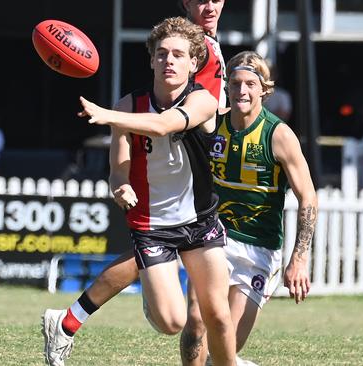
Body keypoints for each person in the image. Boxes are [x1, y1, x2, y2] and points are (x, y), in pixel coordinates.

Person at [43, 16, 237, 366]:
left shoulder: (203, 101)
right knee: (172, 322)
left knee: (218, 317)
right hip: (152, 225)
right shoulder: (128, 106)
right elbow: (118, 168)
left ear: (194, 62)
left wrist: (105, 115)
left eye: (179, 54)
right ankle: (154, 283)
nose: (169, 61)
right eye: (161, 54)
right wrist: (120, 187)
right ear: (151, 60)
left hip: (200, 220)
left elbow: (163, 125)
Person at [180, 50, 318, 366]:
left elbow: (308, 197)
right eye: (235, 83)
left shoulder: (278, 134)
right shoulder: (213, 125)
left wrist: (299, 258)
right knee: (197, 321)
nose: (242, 91)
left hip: (259, 249)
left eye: (250, 85)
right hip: (213, 239)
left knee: (225, 347)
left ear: (263, 90)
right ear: (227, 86)